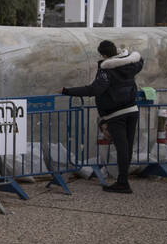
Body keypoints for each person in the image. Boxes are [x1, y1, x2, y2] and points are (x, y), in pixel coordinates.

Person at [61, 40, 143, 193]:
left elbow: (95, 89)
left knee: (122, 148)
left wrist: (67, 91)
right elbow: (139, 60)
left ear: (104, 55)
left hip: (116, 114)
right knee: (127, 147)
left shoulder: (106, 70)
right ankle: (123, 181)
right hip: (132, 109)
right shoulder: (130, 65)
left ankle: (123, 183)